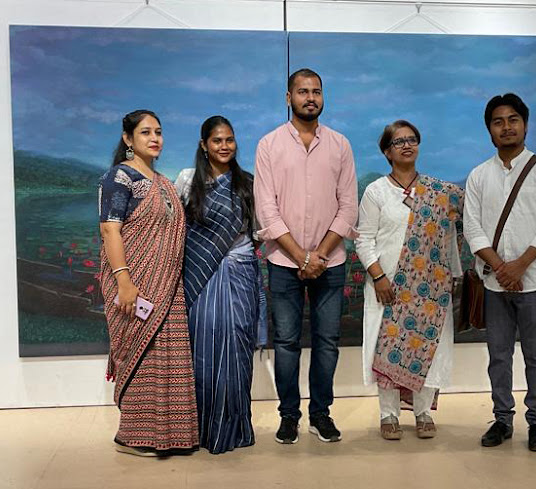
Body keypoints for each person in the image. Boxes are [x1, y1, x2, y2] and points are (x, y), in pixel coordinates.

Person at [254, 68, 358, 444]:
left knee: (327, 341)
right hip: (284, 262)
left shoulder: (340, 145)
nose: (310, 98)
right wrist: (301, 256)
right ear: (289, 98)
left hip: (331, 263)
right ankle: (289, 416)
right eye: (302, 91)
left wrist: (320, 255)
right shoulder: (269, 145)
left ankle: (320, 415)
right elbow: (266, 210)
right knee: (286, 342)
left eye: (316, 91)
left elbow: (348, 207)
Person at [464, 93, 536, 452]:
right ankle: (502, 419)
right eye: (498, 121)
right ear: (489, 129)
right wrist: (501, 268)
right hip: (495, 285)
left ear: (525, 124)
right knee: (499, 355)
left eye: (513, 120)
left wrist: (519, 266)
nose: (506, 127)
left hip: (535, 281)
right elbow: (472, 228)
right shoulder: (479, 175)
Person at [98, 109, 199, 457]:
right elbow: (110, 229)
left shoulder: (164, 183)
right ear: (128, 139)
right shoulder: (120, 178)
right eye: (145, 132)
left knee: (167, 359)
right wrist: (124, 282)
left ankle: (170, 435)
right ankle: (133, 437)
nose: (154, 138)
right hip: (135, 287)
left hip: (167, 288)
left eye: (158, 131)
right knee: (141, 360)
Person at [355, 120, 463, 440]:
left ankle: (422, 411)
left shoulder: (437, 193)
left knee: (427, 347)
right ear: (387, 152)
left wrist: (454, 276)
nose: (406, 145)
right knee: (387, 349)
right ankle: (388, 414)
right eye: (398, 141)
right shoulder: (376, 192)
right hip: (388, 286)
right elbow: (364, 239)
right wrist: (378, 276)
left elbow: (448, 238)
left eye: (411, 139)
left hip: (430, 288)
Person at [175, 116, 267, 455]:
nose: (224, 146)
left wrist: (233, 255)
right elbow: (177, 229)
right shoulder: (188, 180)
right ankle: (200, 429)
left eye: (229, 140)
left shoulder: (247, 183)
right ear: (204, 145)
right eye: (217, 140)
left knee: (237, 351)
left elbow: (258, 231)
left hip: (240, 275)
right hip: (200, 277)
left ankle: (234, 428)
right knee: (202, 351)